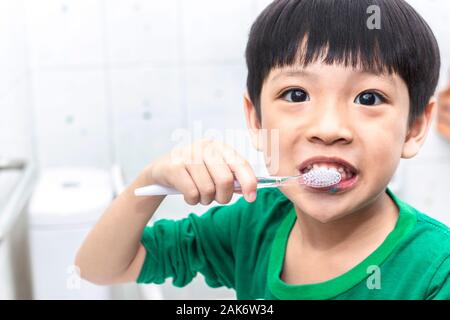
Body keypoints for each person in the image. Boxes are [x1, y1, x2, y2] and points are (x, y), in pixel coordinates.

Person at [75, 0, 450, 299]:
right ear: (255, 120)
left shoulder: (437, 271)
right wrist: (151, 180)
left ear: (415, 127)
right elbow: (98, 268)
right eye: (296, 94)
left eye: (369, 97)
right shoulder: (252, 224)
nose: (329, 129)